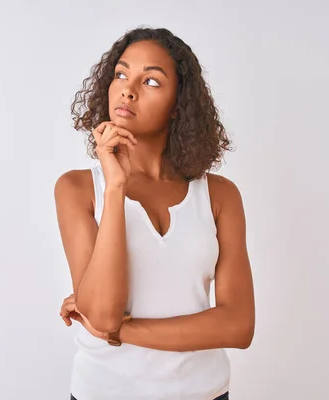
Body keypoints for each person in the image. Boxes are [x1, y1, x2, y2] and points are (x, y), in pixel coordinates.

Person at [54, 27, 255, 400]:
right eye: (121, 74)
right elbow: (102, 311)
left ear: (179, 105)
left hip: (205, 392)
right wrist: (115, 189)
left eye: (151, 81)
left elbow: (238, 325)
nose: (128, 89)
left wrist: (119, 332)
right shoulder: (78, 190)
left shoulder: (219, 195)